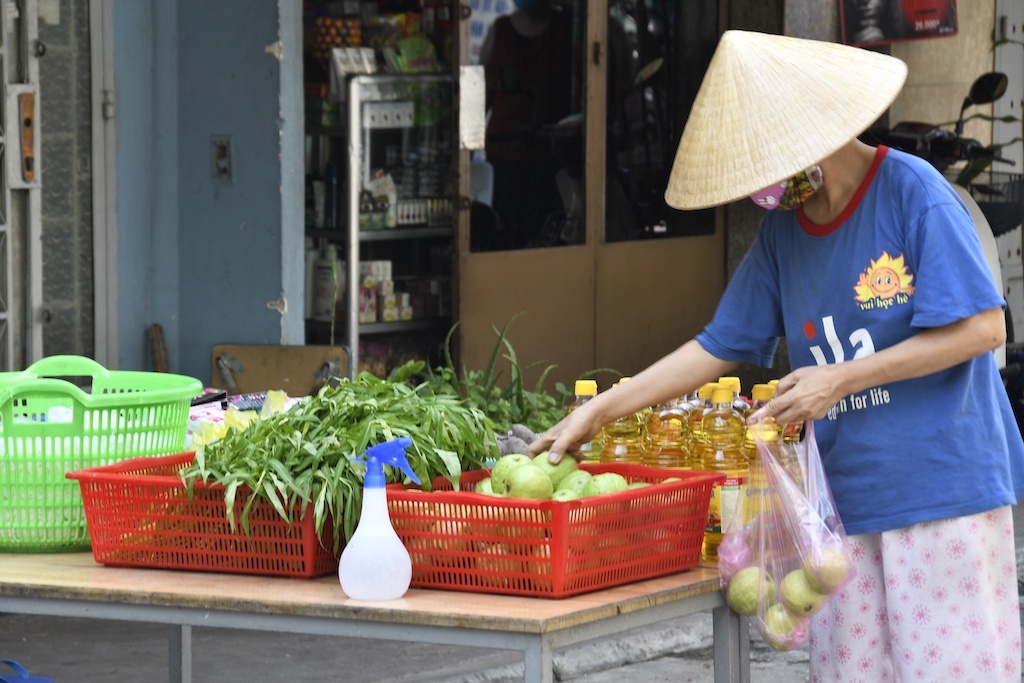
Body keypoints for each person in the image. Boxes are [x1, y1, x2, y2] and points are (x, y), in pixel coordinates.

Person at [529, 30, 1024, 682]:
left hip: (944, 495)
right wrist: (600, 410)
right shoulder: (783, 231)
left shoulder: (913, 194)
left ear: (809, 136)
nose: (760, 185)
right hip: (844, 510)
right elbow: (719, 344)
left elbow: (983, 329)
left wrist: (839, 379)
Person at [478, 0, 574, 249]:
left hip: (552, 155)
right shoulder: (500, 30)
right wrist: (467, 142)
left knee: (547, 232)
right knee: (506, 231)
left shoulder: (567, 28)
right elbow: (480, 92)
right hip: (504, 152)